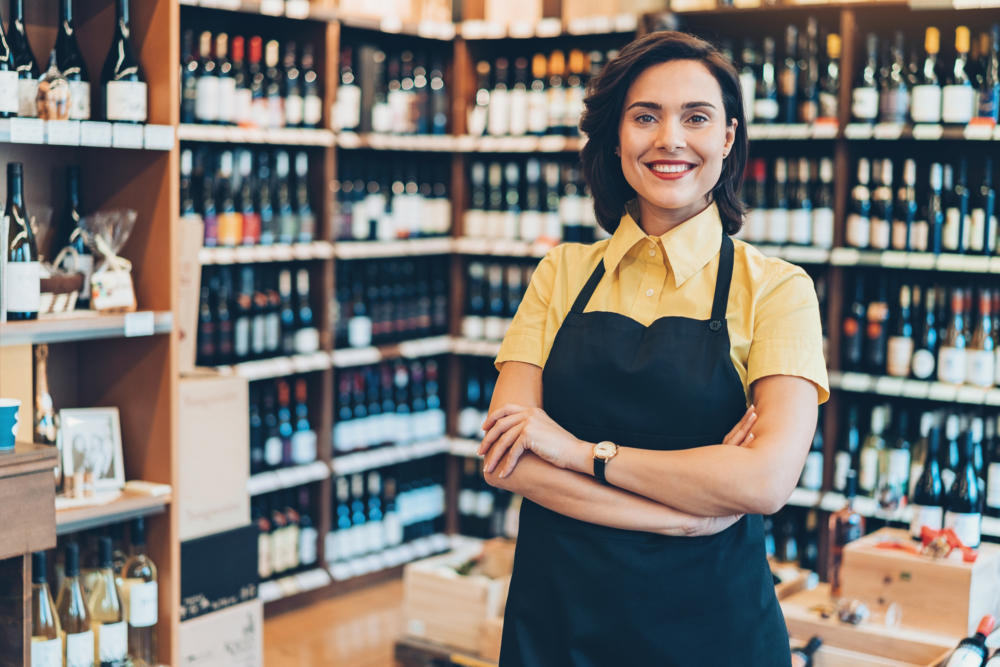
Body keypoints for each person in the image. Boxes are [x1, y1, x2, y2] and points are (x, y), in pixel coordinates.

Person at [477, 31, 829, 666]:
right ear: (616, 139)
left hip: (712, 631)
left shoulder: (777, 289)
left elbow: (765, 480)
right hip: (560, 623)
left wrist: (579, 452)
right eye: (646, 117)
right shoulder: (560, 273)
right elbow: (509, 460)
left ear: (727, 138)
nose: (670, 139)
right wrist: (681, 517)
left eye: (696, 117)